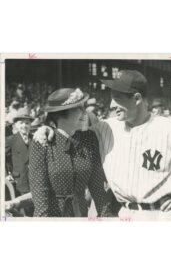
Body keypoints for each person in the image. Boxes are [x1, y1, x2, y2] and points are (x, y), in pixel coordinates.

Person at [34, 71, 171, 220]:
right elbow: (69, 130)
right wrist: (47, 127)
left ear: (137, 98)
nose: (111, 105)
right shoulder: (105, 128)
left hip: (167, 215)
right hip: (126, 214)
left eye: (117, 99)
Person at [29, 88, 111, 217]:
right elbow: (40, 193)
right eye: (79, 108)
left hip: (81, 216)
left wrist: (107, 218)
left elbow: (98, 188)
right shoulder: (42, 142)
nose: (85, 112)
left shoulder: (89, 139)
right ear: (60, 113)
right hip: (53, 218)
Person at [5, 107, 34, 216]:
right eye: (21, 123)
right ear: (16, 125)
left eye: (27, 123)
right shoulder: (11, 140)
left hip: (34, 180)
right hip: (20, 180)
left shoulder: (35, 138)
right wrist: (7, 173)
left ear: (30, 125)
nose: (24, 126)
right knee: (25, 209)